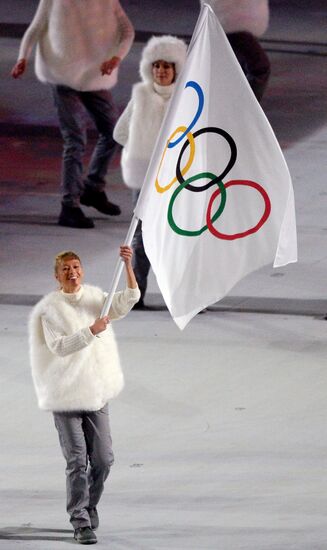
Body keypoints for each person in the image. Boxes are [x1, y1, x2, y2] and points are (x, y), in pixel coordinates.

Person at [28, 245, 140, 545]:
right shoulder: (50, 309)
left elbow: (128, 300)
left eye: (76, 266)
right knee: (77, 460)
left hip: (95, 393)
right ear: (57, 276)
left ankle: (90, 504)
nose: (72, 272)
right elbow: (60, 347)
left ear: (82, 271)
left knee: (103, 459)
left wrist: (128, 266)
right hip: (65, 397)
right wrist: (92, 330)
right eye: (66, 268)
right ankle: (80, 521)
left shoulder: (95, 298)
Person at [11, 0, 135, 229]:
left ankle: (93, 188)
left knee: (114, 133)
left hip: (94, 77)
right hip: (63, 77)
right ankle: (69, 206)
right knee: (75, 140)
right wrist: (22, 58)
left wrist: (116, 57)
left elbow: (127, 30)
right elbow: (36, 28)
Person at [113, 35, 187, 309]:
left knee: (178, 235)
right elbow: (120, 132)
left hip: (178, 179)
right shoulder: (140, 95)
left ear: (176, 69)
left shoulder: (187, 98)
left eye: (167, 66)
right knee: (142, 237)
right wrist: (142, 148)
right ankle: (137, 293)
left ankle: (182, 295)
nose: (161, 71)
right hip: (145, 179)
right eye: (156, 65)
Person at [201, 0, 271, 102]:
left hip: (231, 19)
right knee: (259, 68)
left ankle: (235, 107)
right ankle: (244, 109)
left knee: (239, 68)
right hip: (233, 21)